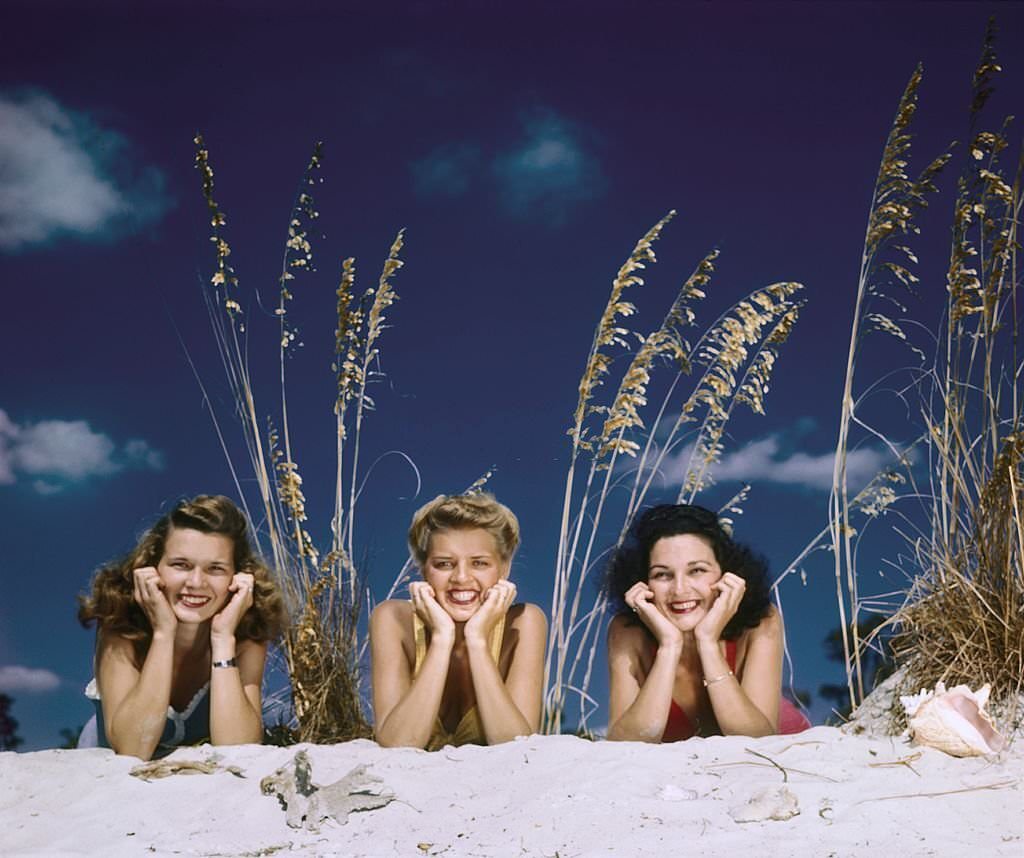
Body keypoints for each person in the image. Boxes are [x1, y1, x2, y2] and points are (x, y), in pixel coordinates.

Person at [77, 495, 285, 759]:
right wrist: (164, 633)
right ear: (152, 567)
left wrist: (222, 640)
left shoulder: (246, 637)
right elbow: (132, 750)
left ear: (237, 577)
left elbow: (240, 752)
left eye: (216, 568)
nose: (196, 582)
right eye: (180, 565)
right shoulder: (120, 627)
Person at [604, 504, 809, 742]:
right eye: (662, 574)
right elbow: (623, 746)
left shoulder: (761, 622)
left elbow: (758, 740)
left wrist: (708, 642)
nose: (679, 589)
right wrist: (669, 646)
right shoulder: (626, 631)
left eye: (697, 570)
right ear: (644, 583)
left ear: (726, 575)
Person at [370, 492, 547, 750]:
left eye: (479, 563)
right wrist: (441, 638)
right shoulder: (392, 620)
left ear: (504, 568)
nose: (461, 578)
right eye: (444, 564)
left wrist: (477, 640)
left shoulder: (523, 622)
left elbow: (515, 747)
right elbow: (398, 744)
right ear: (423, 569)